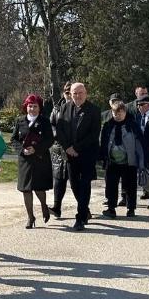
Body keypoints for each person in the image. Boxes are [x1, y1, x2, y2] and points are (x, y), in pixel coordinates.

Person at [54, 82, 101, 231]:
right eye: (74, 93)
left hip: (86, 153)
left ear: (86, 94)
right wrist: (67, 147)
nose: (77, 96)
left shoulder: (94, 110)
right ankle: (85, 210)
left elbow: (94, 134)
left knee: (85, 184)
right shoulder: (65, 107)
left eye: (80, 93)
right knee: (74, 185)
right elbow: (59, 129)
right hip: (69, 154)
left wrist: (76, 148)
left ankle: (80, 218)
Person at [11, 94, 55, 228]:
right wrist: (22, 150)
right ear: (26, 106)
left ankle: (44, 206)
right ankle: (30, 217)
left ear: (39, 107)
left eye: (35, 106)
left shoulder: (45, 121)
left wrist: (36, 149)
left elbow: (50, 140)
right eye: (30, 106)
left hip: (40, 159)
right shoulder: (20, 121)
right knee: (26, 189)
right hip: (25, 160)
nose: (32, 109)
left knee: (39, 187)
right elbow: (14, 140)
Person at [99, 101, 145, 218]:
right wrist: (103, 157)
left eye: (119, 112)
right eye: (114, 112)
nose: (117, 115)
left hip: (129, 161)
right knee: (111, 186)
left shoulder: (132, 125)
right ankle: (111, 208)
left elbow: (139, 144)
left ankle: (131, 209)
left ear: (124, 112)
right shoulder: (108, 125)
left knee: (130, 186)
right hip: (112, 161)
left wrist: (141, 161)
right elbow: (103, 142)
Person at [49, 82, 73, 219]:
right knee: (59, 178)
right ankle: (57, 207)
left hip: (74, 148)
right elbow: (51, 124)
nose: (69, 95)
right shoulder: (57, 107)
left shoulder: (78, 107)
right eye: (67, 92)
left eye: (71, 92)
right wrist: (56, 134)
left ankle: (84, 208)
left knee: (77, 181)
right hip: (58, 148)